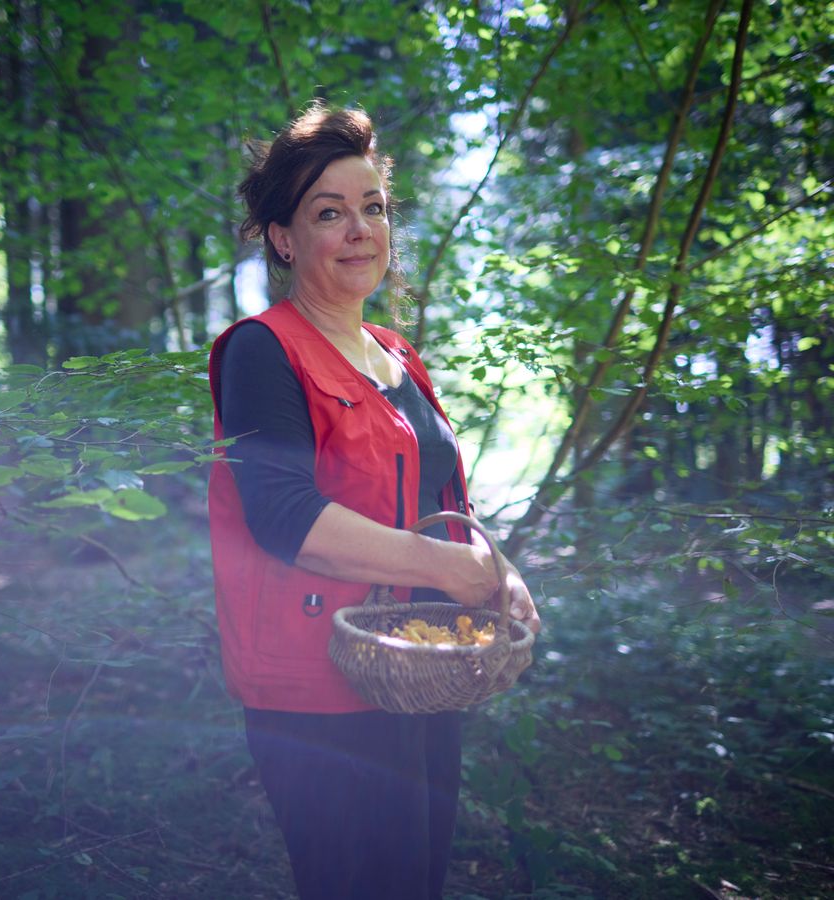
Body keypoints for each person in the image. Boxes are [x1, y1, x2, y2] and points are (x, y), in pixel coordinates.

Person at [207, 104, 542, 900]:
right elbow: (285, 517)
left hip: (418, 674)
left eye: (373, 208)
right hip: (319, 692)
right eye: (330, 213)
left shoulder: (398, 355)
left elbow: (437, 496)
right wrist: (447, 567)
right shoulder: (262, 351)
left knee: (416, 882)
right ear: (284, 239)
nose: (361, 229)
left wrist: (496, 572)